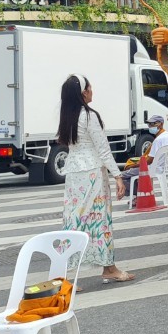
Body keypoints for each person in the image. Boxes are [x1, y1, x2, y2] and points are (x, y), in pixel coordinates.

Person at [58, 76, 133, 283]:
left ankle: (63, 274)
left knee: (73, 220)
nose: (92, 90)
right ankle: (109, 268)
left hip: (74, 174)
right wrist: (118, 176)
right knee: (100, 219)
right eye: (89, 87)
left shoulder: (67, 116)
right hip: (93, 173)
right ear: (83, 92)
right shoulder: (89, 116)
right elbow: (103, 149)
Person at [120, 114, 168, 183]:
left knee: (122, 175)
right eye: (149, 124)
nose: (150, 126)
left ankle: (135, 190)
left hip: (154, 169)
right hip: (164, 168)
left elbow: (149, 161)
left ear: (161, 124)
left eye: (153, 124)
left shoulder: (158, 140)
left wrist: (132, 166)